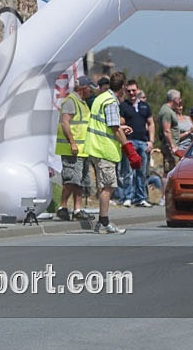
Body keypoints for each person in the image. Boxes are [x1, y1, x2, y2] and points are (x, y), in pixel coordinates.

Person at [85, 71, 141, 234]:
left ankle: (102, 221)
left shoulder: (101, 98)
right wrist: (129, 150)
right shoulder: (110, 101)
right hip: (104, 149)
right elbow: (114, 128)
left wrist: (120, 128)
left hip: (96, 147)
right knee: (108, 187)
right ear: (123, 87)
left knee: (105, 186)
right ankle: (104, 222)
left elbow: (107, 124)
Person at [55, 75, 97, 221]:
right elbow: (65, 123)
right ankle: (63, 207)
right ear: (84, 88)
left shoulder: (83, 103)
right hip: (72, 148)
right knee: (71, 179)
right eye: (90, 89)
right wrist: (72, 143)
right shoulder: (71, 101)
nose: (91, 92)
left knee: (79, 180)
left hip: (82, 149)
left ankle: (77, 209)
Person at [118, 79, 156, 207]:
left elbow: (151, 123)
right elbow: (120, 122)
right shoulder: (123, 106)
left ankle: (140, 197)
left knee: (142, 172)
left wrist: (151, 141)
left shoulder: (145, 106)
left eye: (134, 90)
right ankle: (127, 196)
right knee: (128, 171)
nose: (132, 93)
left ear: (138, 90)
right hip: (129, 142)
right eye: (129, 91)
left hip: (143, 142)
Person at [157, 89, 182, 175]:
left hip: (172, 146)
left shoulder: (170, 111)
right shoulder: (167, 112)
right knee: (169, 171)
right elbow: (166, 130)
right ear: (175, 99)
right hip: (169, 147)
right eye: (179, 99)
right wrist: (173, 146)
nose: (180, 101)